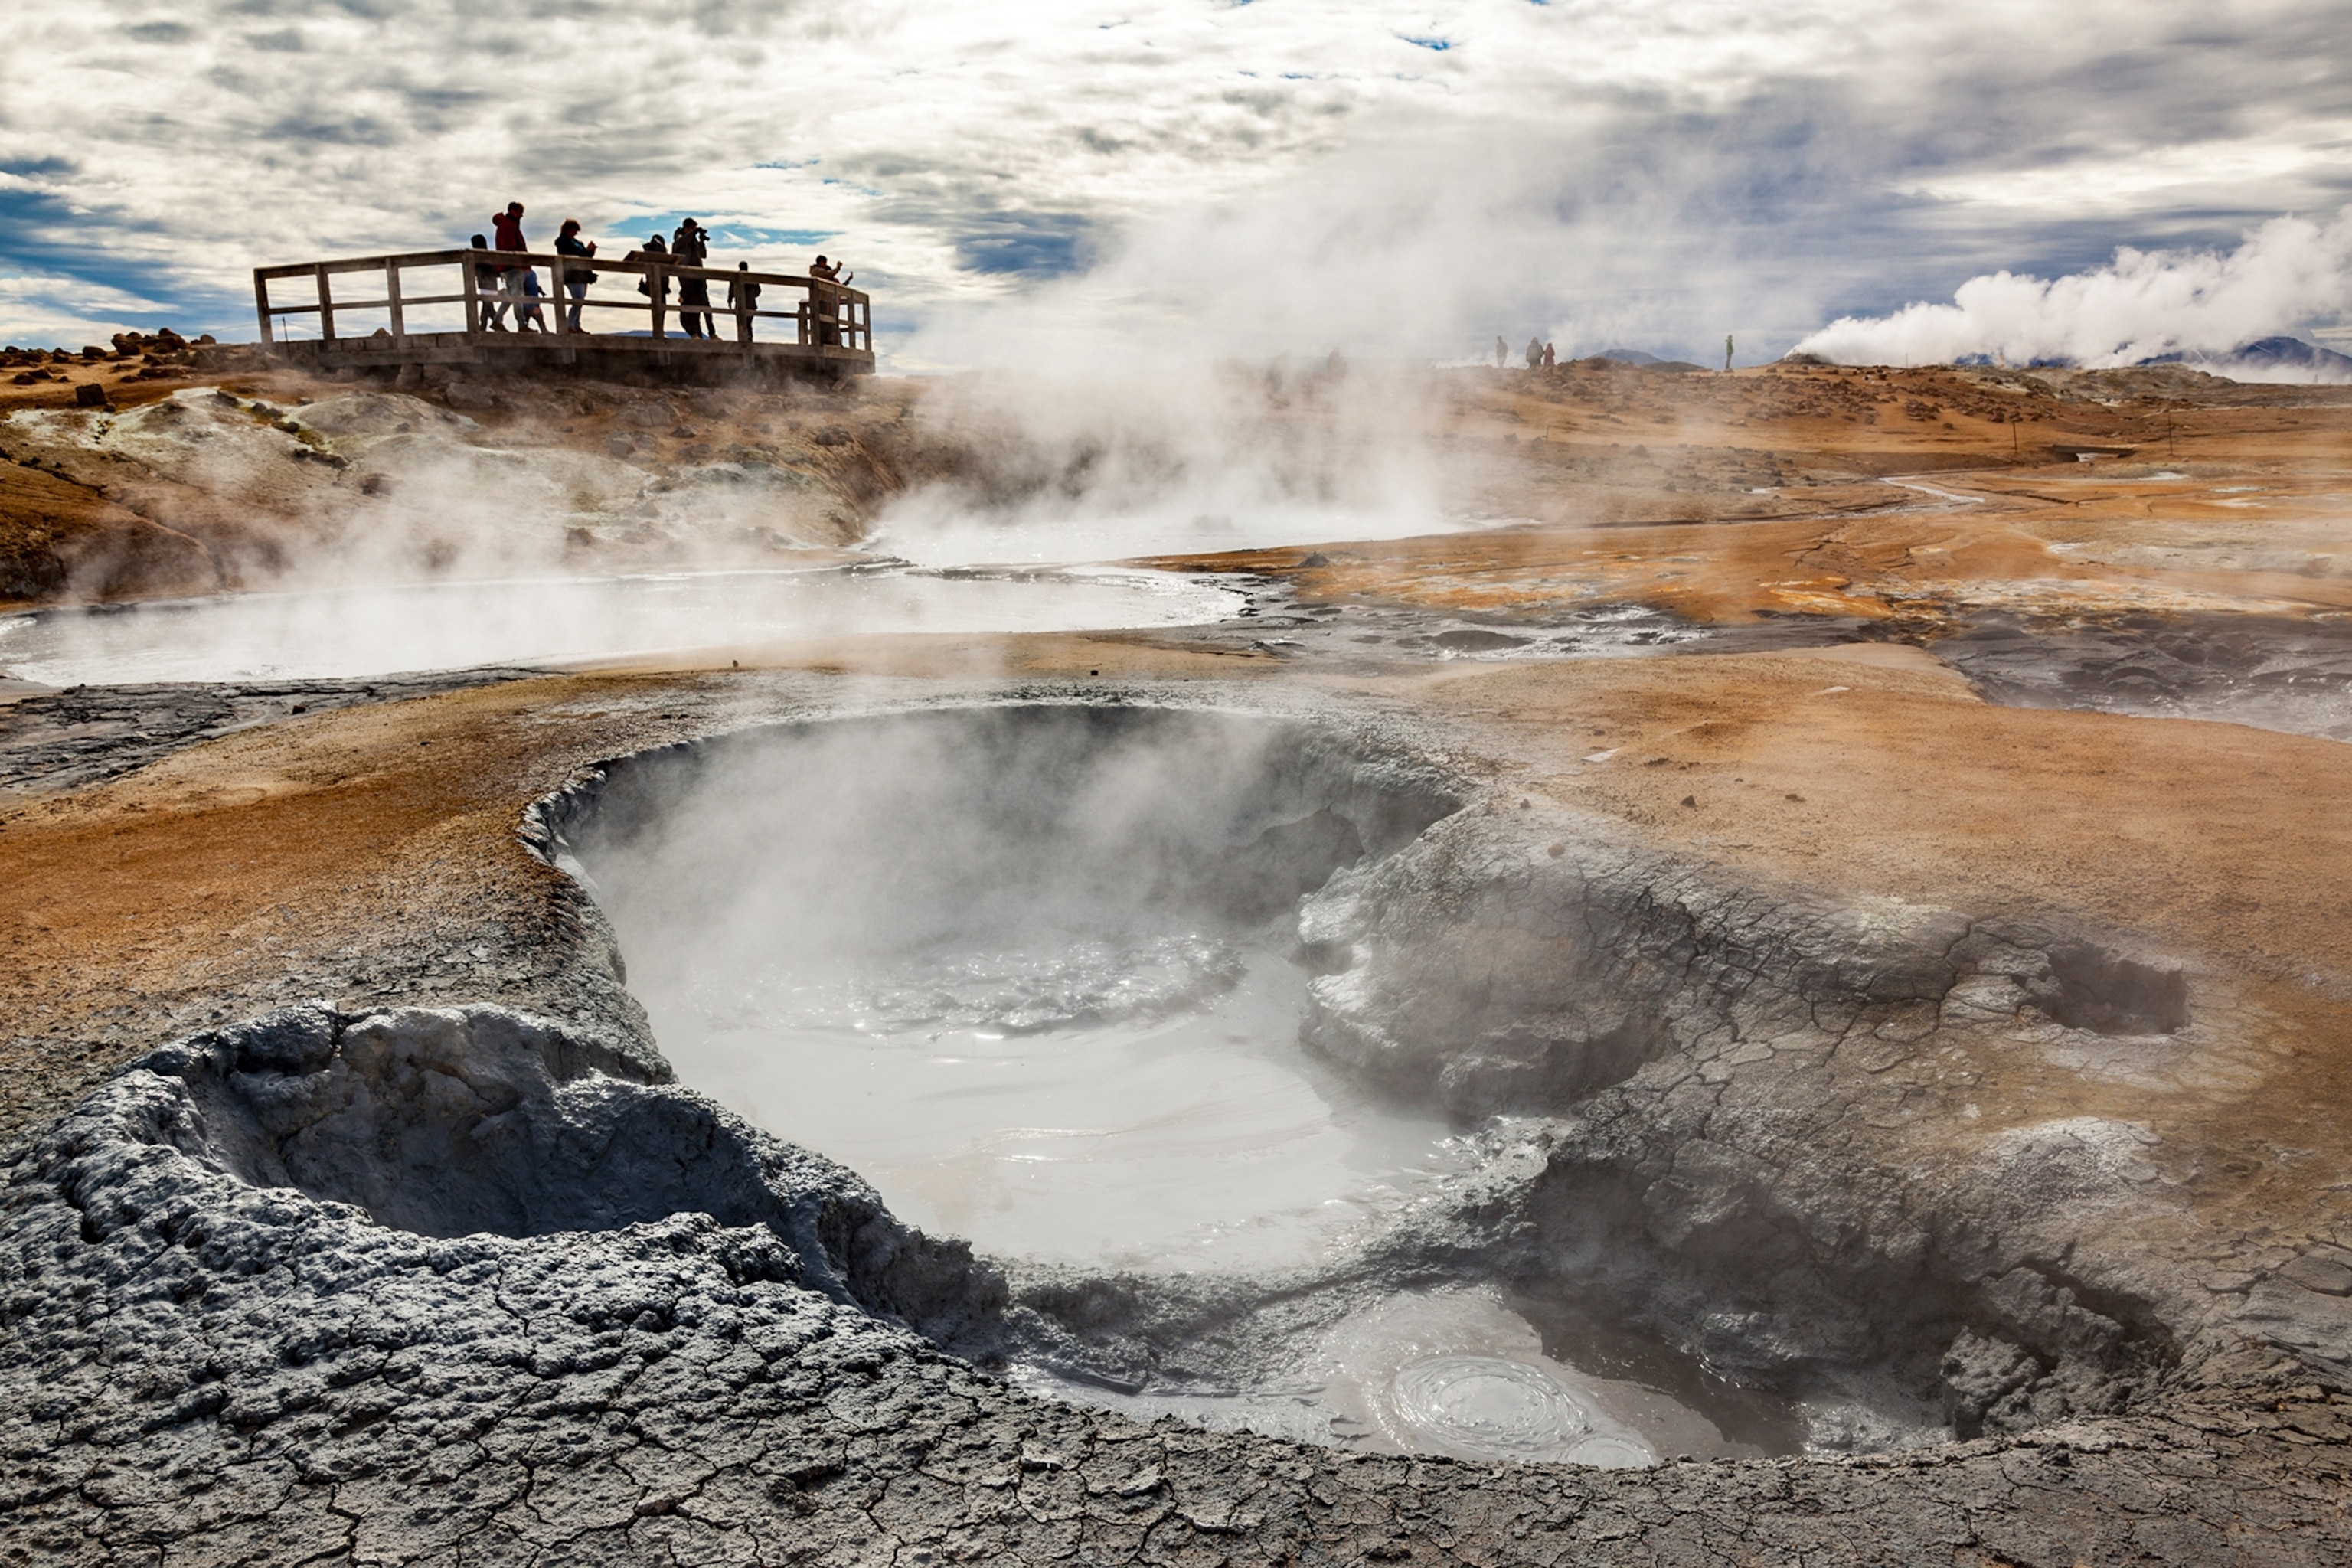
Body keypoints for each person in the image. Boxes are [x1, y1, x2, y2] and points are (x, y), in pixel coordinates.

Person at [492, 201, 531, 329]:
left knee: (511, 295)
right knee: (518, 296)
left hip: (507, 266)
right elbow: (511, 247)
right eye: (520, 212)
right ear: (513, 211)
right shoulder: (509, 226)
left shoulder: (507, 225)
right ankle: (521, 325)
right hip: (513, 266)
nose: (521, 216)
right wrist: (522, 263)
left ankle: (497, 320)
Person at [671, 218, 712, 339]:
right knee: (690, 307)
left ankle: (711, 333)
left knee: (705, 305)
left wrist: (701, 241)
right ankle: (694, 333)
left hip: (699, 278)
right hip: (687, 278)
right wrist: (694, 233)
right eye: (692, 228)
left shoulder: (693, 240)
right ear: (686, 228)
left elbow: (703, 255)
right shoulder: (680, 237)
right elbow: (681, 242)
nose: (694, 231)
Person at [623, 234, 670, 336]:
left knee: (659, 307)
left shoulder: (650, 250)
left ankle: (659, 331)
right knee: (660, 307)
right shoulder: (657, 247)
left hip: (654, 282)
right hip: (659, 283)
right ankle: (659, 331)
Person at [554, 219, 596, 332]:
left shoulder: (577, 243)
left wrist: (590, 252)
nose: (575, 233)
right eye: (573, 231)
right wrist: (587, 252)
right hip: (572, 275)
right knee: (578, 300)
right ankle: (569, 325)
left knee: (580, 301)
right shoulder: (562, 242)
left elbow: (584, 257)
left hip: (582, 275)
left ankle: (576, 325)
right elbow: (573, 254)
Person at [469, 234, 508, 331]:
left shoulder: (478, 257)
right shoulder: (488, 256)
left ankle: (494, 327)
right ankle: (487, 327)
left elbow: (475, 271)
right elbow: (495, 270)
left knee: (488, 307)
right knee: (487, 306)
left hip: (485, 285)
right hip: (490, 285)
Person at [727, 261, 761, 342]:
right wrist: (752, 296)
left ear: (739, 267)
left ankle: (742, 340)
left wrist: (730, 301)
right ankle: (749, 340)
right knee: (748, 324)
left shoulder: (735, 277)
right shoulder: (753, 277)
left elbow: (731, 291)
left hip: (740, 304)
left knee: (741, 324)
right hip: (751, 304)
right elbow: (758, 291)